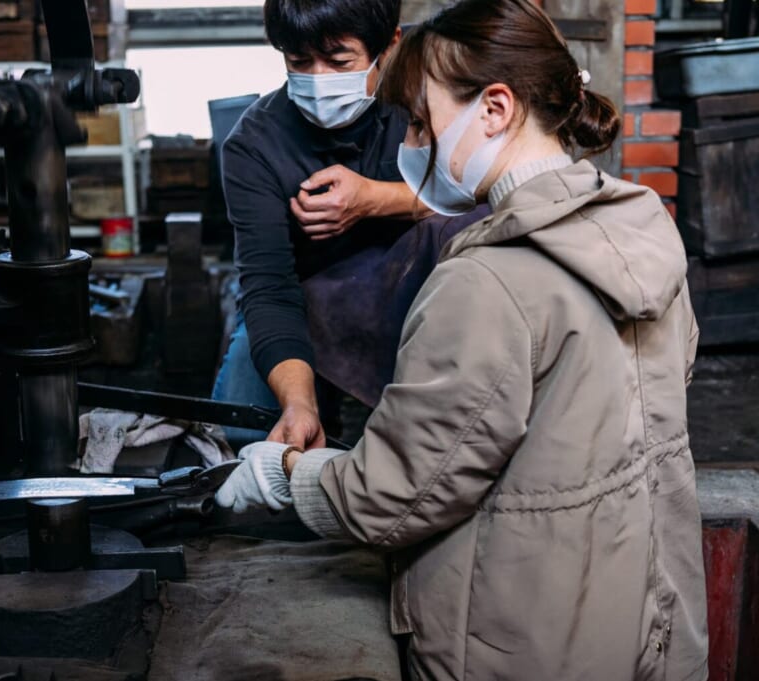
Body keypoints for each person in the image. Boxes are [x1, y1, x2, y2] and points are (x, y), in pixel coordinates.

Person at [215, 1, 710, 679]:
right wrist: (301, 406)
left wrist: (283, 474)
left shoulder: (481, 283)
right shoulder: (644, 225)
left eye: (420, 124)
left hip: (513, 646)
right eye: (299, 61)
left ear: (497, 109)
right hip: (649, 616)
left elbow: (387, 495)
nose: (412, 142)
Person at [213, 0, 487, 450]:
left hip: (420, 288)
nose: (319, 79)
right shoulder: (254, 145)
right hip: (306, 300)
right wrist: (298, 404)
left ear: (389, 44)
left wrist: (376, 199)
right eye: (299, 62)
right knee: (248, 429)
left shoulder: (426, 102)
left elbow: (489, 194)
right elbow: (268, 287)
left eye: (339, 61)